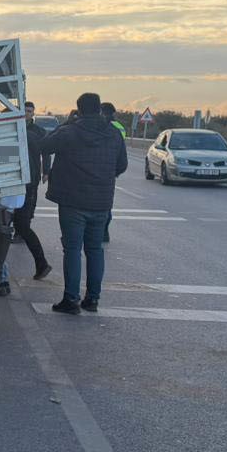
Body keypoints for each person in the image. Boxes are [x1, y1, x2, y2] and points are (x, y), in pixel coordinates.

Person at [45, 93, 127, 314]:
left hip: (72, 201)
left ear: (79, 109)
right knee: (95, 249)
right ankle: (92, 299)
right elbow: (122, 165)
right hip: (101, 202)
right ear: (99, 109)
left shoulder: (70, 131)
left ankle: (71, 299)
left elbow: (45, 146)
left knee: (72, 249)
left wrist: (66, 123)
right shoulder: (114, 133)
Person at [14, 103, 53, 279]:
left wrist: (46, 171)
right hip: (21, 180)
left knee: (23, 224)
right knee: (16, 223)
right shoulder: (22, 132)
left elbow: (46, 152)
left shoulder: (33, 133)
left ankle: (42, 263)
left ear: (33, 113)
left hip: (28, 181)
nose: (26, 114)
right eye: (24, 111)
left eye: (29, 111)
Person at [100, 103, 127, 243]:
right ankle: (104, 232)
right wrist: (113, 172)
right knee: (106, 206)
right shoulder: (119, 128)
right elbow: (121, 157)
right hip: (109, 173)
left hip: (96, 170)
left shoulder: (98, 126)